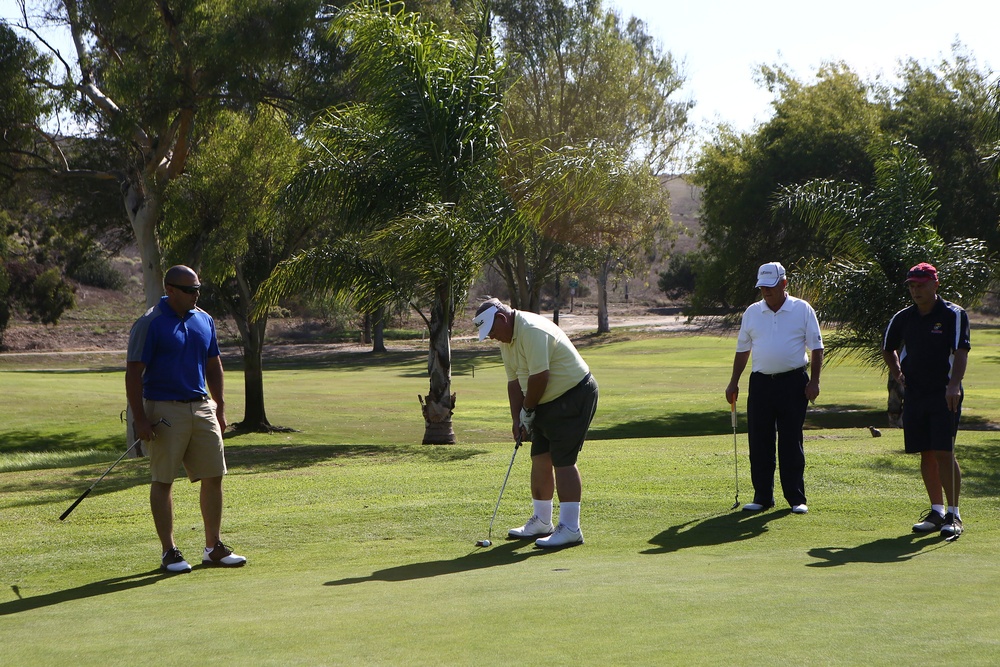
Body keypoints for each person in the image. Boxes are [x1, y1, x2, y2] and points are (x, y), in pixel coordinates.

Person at [125, 265, 246, 573]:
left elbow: (213, 362)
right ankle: (170, 552)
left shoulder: (204, 320)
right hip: (164, 409)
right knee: (163, 479)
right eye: (190, 290)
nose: (196, 295)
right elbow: (133, 373)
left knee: (214, 475)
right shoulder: (150, 323)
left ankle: (213, 547)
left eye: (198, 289)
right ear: (170, 290)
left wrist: (219, 406)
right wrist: (139, 419)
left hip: (201, 406)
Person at [474, 298, 599, 548]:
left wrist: (528, 411)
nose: (491, 337)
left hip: (573, 393)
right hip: (544, 400)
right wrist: (516, 418)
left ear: (501, 319)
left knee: (563, 460)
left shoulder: (531, 329)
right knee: (540, 457)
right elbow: (514, 382)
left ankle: (571, 528)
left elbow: (540, 376)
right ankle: (543, 521)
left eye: (492, 331)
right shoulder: (507, 340)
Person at [725, 262, 823, 514]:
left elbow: (816, 347)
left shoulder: (802, 309)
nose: (766, 292)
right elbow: (742, 349)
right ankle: (762, 497)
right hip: (760, 384)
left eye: (770, 287)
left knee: (791, 440)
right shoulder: (752, 312)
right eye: (762, 288)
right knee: (759, 441)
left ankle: (796, 499)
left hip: (793, 382)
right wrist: (733, 381)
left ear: (783, 283)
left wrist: (814, 381)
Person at [882, 262, 968, 539]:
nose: (915, 290)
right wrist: (898, 373)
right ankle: (936, 511)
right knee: (926, 453)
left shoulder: (954, 315)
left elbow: (961, 351)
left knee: (944, 451)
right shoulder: (903, 317)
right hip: (916, 393)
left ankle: (954, 515)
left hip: (944, 392)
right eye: (911, 285)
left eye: (921, 285)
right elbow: (888, 348)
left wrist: (954, 385)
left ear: (935, 284)